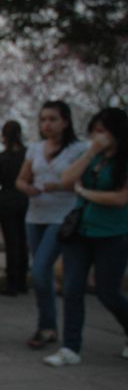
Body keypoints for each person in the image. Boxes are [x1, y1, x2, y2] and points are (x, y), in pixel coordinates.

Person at [44, 107, 128, 366]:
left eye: (103, 131)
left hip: (112, 234)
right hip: (80, 231)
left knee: (107, 291)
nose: (97, 137)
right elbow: (67, 178)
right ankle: (70, 347)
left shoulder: (123, 161)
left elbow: (120, 198)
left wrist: (86, 193)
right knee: (72, 288)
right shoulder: (92, 157)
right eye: (94, 131)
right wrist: (91, 152)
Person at [15, 100, 87, 348]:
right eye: (43, 119)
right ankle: (47, 325)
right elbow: (21, 179)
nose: (47, 124)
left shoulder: (78, 149)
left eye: (53, 119)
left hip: (63, 216)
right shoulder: (35, 148)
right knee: (41, 274)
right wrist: (27, 188)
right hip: (35, 215)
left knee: (40, 268)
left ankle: (51, 326)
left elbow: (83, 182)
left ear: (65, 122)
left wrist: (59, 186)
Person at [0, 120, 29, 296]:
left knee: (10, 242)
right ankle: (22, 281)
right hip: (24, 199)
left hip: (6, 199)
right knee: (22, 241)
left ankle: (11, 282)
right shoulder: (27, 155)